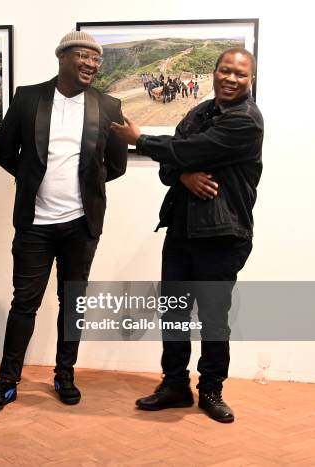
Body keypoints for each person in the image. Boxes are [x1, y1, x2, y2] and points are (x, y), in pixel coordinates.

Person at [110, 48, 262, 423]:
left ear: (250, 80)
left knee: (213, 317)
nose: (231, 78)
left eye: (240, 75)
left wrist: (142, 141)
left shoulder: (246, 121)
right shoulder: (198, 112)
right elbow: (170, 167)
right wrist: (182, 174)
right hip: (181, 230)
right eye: (225, 70)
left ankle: (211, 390)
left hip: (223, 234)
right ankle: (175, 384)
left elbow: (189, 149)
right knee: (174, 313)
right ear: (213, 72)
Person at [0, 30, 127, 413]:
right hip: (34, 224)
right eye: (84, 56)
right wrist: (31, 179)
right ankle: (7, 380)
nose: (91, 64)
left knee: (72, 302)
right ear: (62, 56)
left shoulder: (109, 105)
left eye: (96, 59)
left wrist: (84, 186)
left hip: (81, 225)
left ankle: (64, 374)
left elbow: (117, 165)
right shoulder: (28, 98)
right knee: (24, 303)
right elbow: (4, 152)